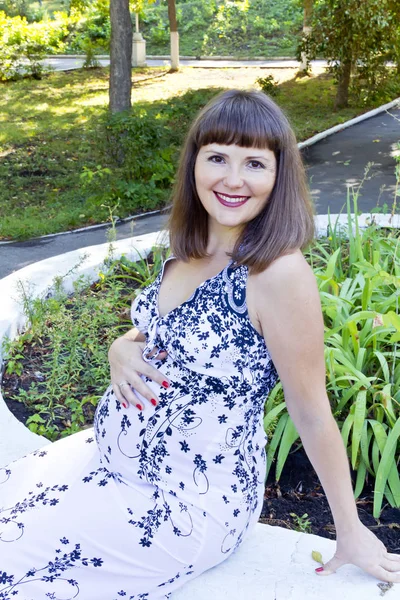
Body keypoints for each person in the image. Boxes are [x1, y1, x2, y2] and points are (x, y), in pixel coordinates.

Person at [0, 90, 399, 600]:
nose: (232, 179)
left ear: (279, 176)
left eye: (254, 162)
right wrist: (119, 347)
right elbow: (169, 328)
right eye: (217, 158)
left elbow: (311, 408)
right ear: (195, 164)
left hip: (182, 505)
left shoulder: (276, 274)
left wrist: (350, 530)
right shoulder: (194, 243)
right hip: (111, 463)